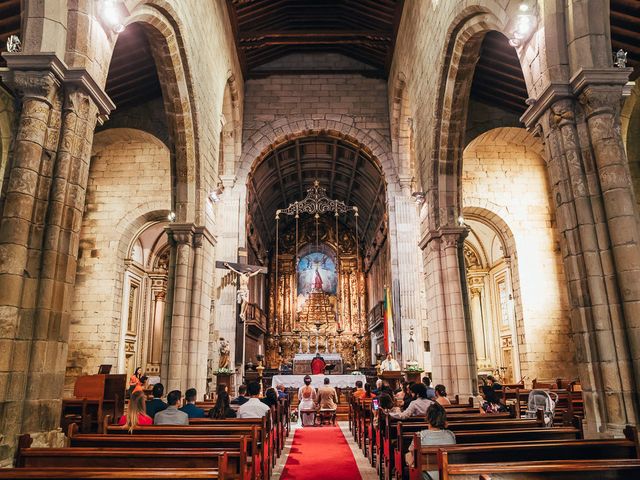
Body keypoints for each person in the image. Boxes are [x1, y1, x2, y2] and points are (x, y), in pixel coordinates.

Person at [405, 403, 456, 480]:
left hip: (427, 476)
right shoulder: (451, 434)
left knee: (409, 456)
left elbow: (412, 453)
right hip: (447, 474)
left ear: (428, 418)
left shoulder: (420, 436)